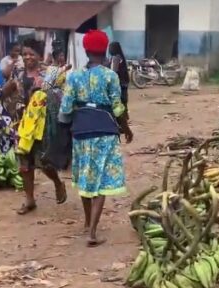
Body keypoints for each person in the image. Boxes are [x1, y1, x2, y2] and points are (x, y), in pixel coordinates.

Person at [59, 30, 134, 247]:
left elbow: (65, 109)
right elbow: (117, 107)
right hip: (105, 131)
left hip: (81, 132)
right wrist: (126, 129)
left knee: (85, 178)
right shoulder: (110, 76)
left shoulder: (74, 76)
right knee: (100, 183)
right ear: (104, 51)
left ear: (86, 51)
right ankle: (92, 232)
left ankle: (87, 222)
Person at [16, 40, 69, 215]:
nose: (27, 57)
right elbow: (10, 90)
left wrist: (44, 92)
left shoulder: (49, 74)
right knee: (24, 164)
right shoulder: (18, 73)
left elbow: (62, 94)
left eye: (31, 54)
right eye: (24, 54)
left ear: (39, 56)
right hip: (23, 124)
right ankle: (29, 199)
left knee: (44, 161)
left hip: (43, 125)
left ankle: (57, 183)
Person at [108, 42, 131, 106]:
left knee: (119, 103)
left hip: (119, 83)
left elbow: (113, 71)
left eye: (110, 48)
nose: (109, 50)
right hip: (123, 82)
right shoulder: (120, 57)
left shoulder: (116, 58)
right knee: (123, 103)